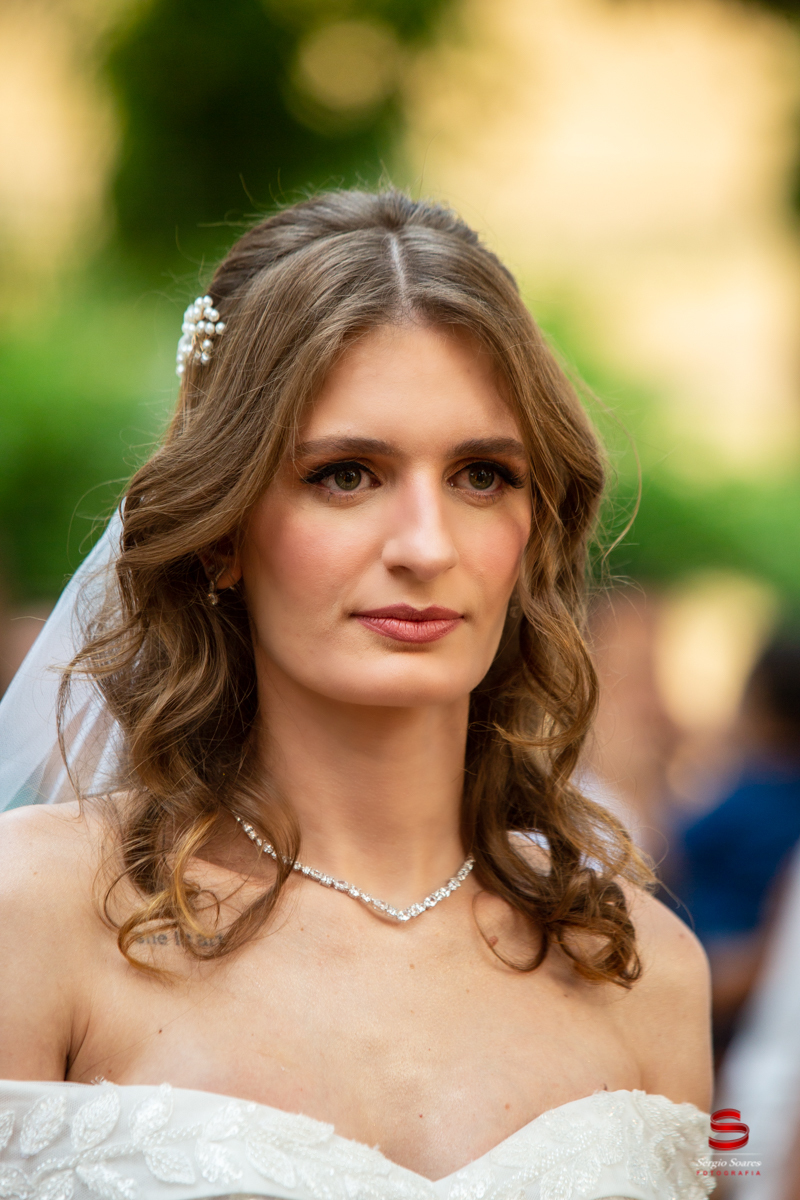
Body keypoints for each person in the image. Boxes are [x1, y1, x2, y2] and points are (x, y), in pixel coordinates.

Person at [0, 190, 713, 1200]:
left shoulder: (644, 969)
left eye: (481, 476)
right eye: (345, 475)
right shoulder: (36, 913)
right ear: (221, 529)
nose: (425, 546)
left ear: (534, 528)